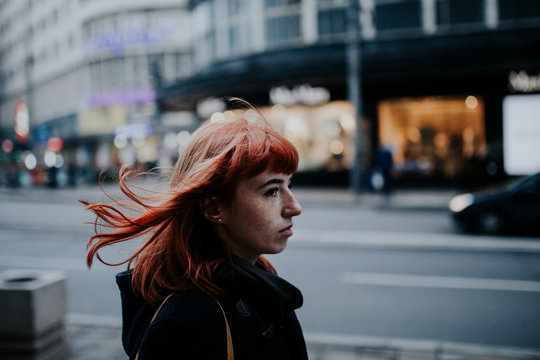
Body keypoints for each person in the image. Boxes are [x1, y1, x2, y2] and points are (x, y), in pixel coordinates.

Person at [83, 110, 308, 360]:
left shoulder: (259, 281)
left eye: (289, 185)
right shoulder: (184, 326)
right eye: (272, 191)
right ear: (213, 207)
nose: (294, 207)